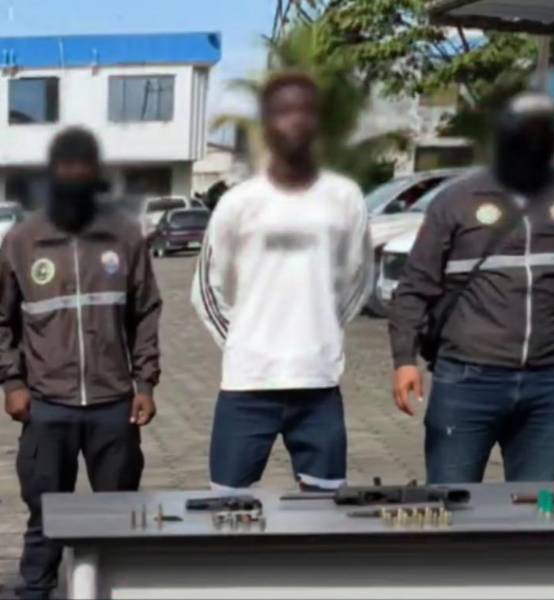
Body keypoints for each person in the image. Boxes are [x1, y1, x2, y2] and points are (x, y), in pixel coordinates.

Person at [389, 92, 554, 484]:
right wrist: (404, 360)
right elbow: (415, 286)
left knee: (532, 511)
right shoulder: (457, 200)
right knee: (451, 504)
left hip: (549, 387)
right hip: (467, 382)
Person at [0, 127, 162, 599]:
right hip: (46, 406)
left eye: (83, 167)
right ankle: (37, 591)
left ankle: (117, 591)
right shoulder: (22, 241)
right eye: (65, 166)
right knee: (46, 518)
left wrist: (145, 383)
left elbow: (146, 312)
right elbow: (2, 319)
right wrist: (12, 382)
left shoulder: (124, 236)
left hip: (114, 406)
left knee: (119, 519)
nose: (73, 175)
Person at [192, 72, 372, 490]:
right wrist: (246, 341)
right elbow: (207, 290)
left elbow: (359, 279)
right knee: (227, 508)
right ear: (266, 124)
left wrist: (319, 332)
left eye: (306, 111)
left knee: (325, 512)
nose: (295, 120)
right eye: (283, 112)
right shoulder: (238, 203)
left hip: (318, 386)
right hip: (247, 387)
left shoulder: (345, 198)